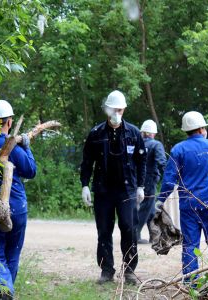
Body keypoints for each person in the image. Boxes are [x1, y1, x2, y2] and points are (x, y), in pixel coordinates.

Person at [156, 111, 208, 279]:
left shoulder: (178, 150)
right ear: (200, 129)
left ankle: (191, 284)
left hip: (188, 206)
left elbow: (169, 181)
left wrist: (160, 200)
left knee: (190, 245)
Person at [80, 90, 147, 285]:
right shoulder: (96, 134)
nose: (117, 113)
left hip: (127, 190)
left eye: (120, 109)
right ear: (107, 110)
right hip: (103, 191)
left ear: (124, 109)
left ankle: (129, 270)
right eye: (114, 109)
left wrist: (141, 186)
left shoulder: (134, 133)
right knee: (104, 230)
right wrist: (85, 185)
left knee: (129, 228)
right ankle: (106, 270)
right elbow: (86, 162)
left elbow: (141, 161)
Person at [0, 100, 36, 299]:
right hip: (17, 207)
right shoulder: (14, 148)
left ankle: (4, 292)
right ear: (9, 123)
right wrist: (26, 147)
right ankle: (5, 291)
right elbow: (31, 171)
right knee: (12, 253)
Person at [137, 120, 166, 244]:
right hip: (149, 181)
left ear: (143, 132)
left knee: (151, 209)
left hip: (136, 180)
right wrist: (171, 177)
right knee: (146, 207)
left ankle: (154, 235)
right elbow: (162, 162)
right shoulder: (156, 145)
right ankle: (134, 233)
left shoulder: (136, 143)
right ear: (153, 133)